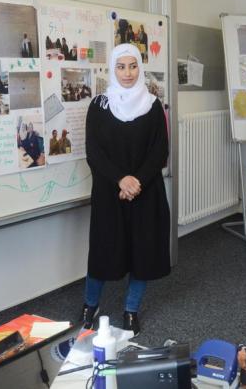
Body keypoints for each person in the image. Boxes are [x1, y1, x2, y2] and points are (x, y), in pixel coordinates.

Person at [79, 43, 169, 337]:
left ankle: (131, 310)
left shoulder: (153, 106)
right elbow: (94, 152)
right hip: (110, 192)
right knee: (104, 252)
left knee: (142, 255)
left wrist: (135, 182)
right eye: (121, 66)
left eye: (133, 66)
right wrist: (121, 180)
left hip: (146, 193)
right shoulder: (99, 106)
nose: (127, 73)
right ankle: (89, 307)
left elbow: (159, 152)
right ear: (112, 69)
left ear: (139, 69)